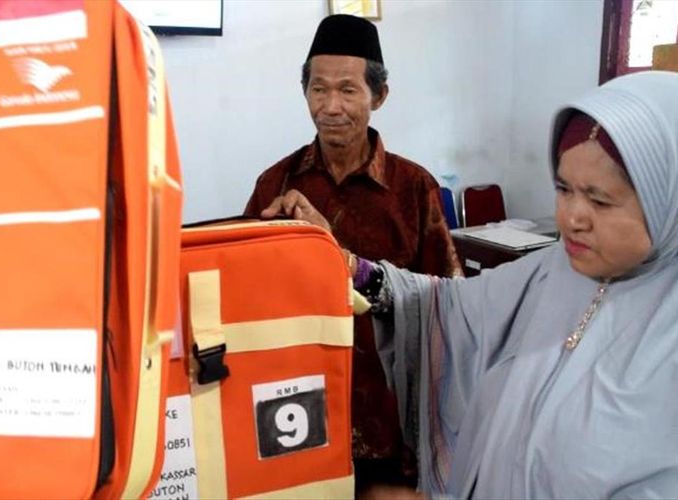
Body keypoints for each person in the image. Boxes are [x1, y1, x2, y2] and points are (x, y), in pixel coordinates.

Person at [263, 70, 678, 498]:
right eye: (563, 188)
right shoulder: (549, 272)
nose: (571, 217)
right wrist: (347, 265)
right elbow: (447, 306)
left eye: (599, 200)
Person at [245, 13, 462, 493]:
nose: (330, 106)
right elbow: (246, 298)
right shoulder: (275, 184)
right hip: (296, 407)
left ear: (378, 96)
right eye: (318, 89)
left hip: (390, 414)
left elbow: (453, 304)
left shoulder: (414, 189)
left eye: (347, 90)